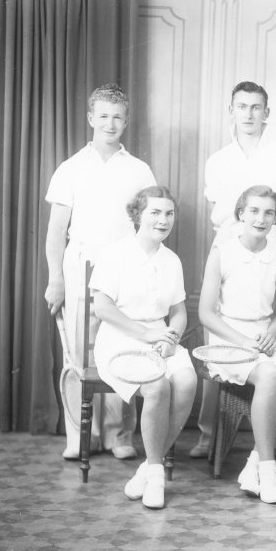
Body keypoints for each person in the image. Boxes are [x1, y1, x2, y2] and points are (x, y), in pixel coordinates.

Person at [191, 81, 276, 462]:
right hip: (227, 253)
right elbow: (218, 217)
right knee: (219, 341)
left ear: (266, 113)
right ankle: (209, 435)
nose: (250, 114)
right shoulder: (218, 159)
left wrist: (266, 246)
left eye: (257, 107)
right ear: (232, 111)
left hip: (269, 252)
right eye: (242, 106)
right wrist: (236, 247)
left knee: (275, 350)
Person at [44, 83, 156, 461]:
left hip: (125, 270)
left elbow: (150, 228)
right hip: (80, 269)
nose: (110, 123)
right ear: (91, 118)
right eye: (103, 116)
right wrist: (56, 279)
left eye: (117, 117)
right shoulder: (71, 168)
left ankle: (118, 434)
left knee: (122, 347)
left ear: (126, 122)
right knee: (79, 354)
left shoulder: (139, 170)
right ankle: (80, 435)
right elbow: (56, 233)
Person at [90, 187, 198, 510]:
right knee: (157, 385)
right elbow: (103, 308)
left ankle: (148, 468)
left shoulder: (172, 261)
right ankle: (157, 476)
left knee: (188, 382)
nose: (163, 220)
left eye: (169, 214)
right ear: (137, 216)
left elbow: (178, 313)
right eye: (155, 212)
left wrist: (171, 338)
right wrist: (148, 336)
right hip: (119, 340)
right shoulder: (115, 254)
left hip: (160, 339)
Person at [197, 186, 276, 505]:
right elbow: (205, 313)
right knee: (270, 375)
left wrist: (271, 335)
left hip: (264, 339)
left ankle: (255, 462)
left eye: (269, 212)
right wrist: (245, 342)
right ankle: (269, 473)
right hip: (229, 340)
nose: (261, 218)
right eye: (254, 211)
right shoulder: (222, 253)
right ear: (241, 214)